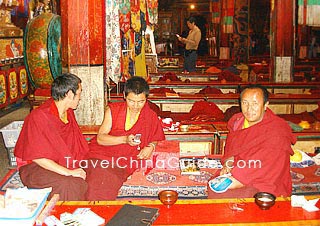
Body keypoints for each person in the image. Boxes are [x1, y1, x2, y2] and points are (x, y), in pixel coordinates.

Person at [208, 84, 296, 198]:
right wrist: (229, 163)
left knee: (224, 194)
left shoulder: (276, 130)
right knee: (215, 187)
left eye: (255, 103)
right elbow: (232, 150)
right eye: (245, 103)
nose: (249, 109)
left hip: (265, 178)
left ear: (265, 105)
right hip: (241, 167)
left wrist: (238, 178)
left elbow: (271, 163)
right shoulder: (237, 122)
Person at [86, 76, 165, 200]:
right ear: (124, 96)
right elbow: (101, 138)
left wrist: (151, 146)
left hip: (125, 161)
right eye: (131, 101)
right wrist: (124, 139)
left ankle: (100, 210)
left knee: (110, 179)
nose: (136, 106)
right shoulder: (113, 110)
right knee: (99, 178)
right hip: (102, 155)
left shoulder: (150, 115)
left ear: (146, 99)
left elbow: (155, 135)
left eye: (141, 101)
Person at [14, 73, 89, 201]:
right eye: (79, 93)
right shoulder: (39, 116)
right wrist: (68, 171)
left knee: (92, 173)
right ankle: (67, 217)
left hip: (60, 161)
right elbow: (37, 157)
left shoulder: (68, 112)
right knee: (70, 183)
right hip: (34, 167)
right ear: (70, 94)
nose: (80, 98)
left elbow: (72, 145)